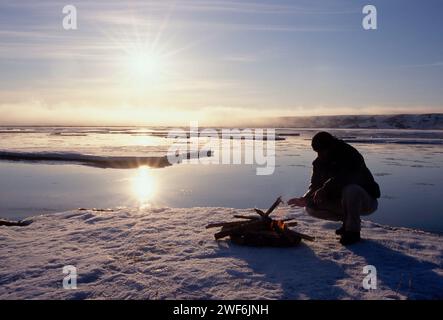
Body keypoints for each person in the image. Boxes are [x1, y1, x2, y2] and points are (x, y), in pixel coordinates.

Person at [288, 132, 380, 245]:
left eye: (321, 151)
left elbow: (345, 177)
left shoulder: (350, 154)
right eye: (317, 151)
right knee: (311, 207)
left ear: (331, 146)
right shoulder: (319, 162)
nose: (319, 154)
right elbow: (315, 184)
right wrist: (305, 198)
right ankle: (348, 222)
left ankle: (353, 232)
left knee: (351, 190)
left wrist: (324, 189)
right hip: (342, 202)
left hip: (366, 201)